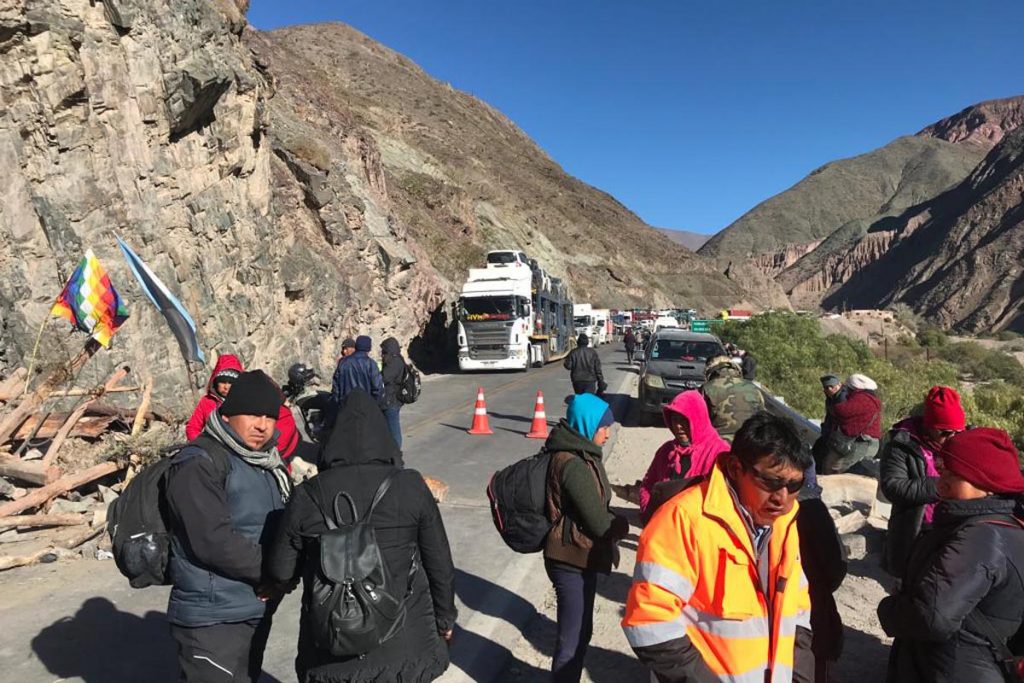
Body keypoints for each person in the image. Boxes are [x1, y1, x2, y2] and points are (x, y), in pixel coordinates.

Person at [267, 390, 457, 683]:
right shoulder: (410, 486)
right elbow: (439, 563)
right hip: (406, 643)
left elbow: (281, 568)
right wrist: (445, 619)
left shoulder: (307, 494)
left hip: (332, 644)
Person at [623, 412, 814, 682]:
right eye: (771, 482)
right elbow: (649, 622)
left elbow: (798, 611)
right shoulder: (683, 519)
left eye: (794, 485)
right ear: (736, 468)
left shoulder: (784, 523)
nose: (782, 498)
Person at [165, 370, 293, 683]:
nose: (262, 425)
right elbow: (212, 539)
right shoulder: (199, 462)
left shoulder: (266, 463)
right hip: (213, 615)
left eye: (269, 416)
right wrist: (275, 571)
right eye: (252, 414)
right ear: (228, 414)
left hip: (251, 605)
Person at [878, 428, 1024, 683]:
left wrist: (889, 609)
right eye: (942, 465)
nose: (941, 474)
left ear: (984, 483)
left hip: (955, 669)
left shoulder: (981, 537)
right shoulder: (988, 526)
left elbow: (932, 617)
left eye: (953, 471)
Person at [543, 393, 629, 682]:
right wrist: (622, 525)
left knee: (581, 632)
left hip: (580, 555)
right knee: (572, 639)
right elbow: (597, 520)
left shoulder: (583, 453)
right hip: (569, 557)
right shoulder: (573, 464)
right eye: (604, 427)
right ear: (588, 425)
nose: (607, 433)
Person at [879, 385, 966, 577]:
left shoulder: (964, 441)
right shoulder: (902, 444)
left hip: (953, 526)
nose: (951, 437)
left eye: (957, 432)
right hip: (917, 529)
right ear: (929, 426)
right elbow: (893, 487)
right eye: (944, 433)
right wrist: (941, 486)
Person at [185, 354, 302, 468]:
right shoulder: (207, 402)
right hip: (216, 454)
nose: (226, 387)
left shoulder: (252, 400)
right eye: (222, 382)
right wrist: (205, 448)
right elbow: (193, 427)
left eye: (231, 382)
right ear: (215, 381)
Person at [638, 390, 730, 519]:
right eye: (674, 420)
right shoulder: (667, 451)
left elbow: (725, 500)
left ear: (698, 419)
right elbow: (647, 485)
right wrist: (649, 512)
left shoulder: (719, 452)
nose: (678, 426)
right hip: (665, 529)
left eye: (684, 420)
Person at [821, 373, 882, 474]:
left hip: (863, 442)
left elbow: (843, 411)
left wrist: (834, 402)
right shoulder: (868, 398)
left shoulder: (863, 399)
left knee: (839, 469)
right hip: (864, 442)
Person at [325, 335, 384, 429]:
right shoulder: (371, 364)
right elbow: (377, 388)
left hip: (347, 405)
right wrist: (375, 406)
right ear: (368, 348)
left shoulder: (343, 363)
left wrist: (338, 403)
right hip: (365, 407)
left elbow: (336, 386)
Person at [701, 354, 765, 441]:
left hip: (719, 443)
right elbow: (762, 417)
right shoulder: (753, 388)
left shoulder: (706, 388)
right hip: (749, 442)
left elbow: (698, 421)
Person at [811, 375, 848, 471]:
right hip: (831, 433)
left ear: (839, 385)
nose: (829, 389)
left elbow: (841, 418)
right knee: (818, 450)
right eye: (826, 387)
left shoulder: (843, 397)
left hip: (841, 435)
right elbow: (829, 417)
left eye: (832, 386)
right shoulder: (830, 398)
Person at [380, 337, 407, 448]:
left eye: (384, 352)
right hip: (392, 399)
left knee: (393, 429)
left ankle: (396, 452)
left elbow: (384, 377)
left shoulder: (395, 362)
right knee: (389, 427)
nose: (382, 354)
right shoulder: (397, 360)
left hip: (391, 401)